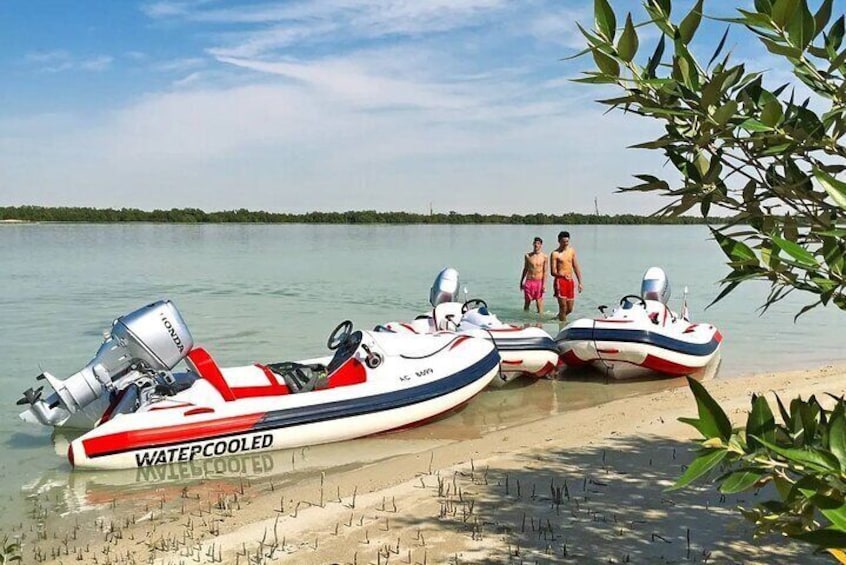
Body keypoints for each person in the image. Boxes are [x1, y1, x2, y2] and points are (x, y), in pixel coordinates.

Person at [550, 230, 583, 321]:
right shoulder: (555, 254)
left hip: (570, 281)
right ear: (559, 241)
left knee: (569, 309)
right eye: (563, 242)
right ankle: (563, 327)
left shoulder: (571, 251)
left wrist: (580, 282)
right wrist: (561, 275)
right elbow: (552, 272)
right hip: (560, 282)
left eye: (567, 242)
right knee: (563, 307)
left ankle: (557, 318)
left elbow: (576, 267)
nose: (565, 244)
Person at [519, 236, 548, 314]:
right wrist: (521, 281)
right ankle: (525, 320)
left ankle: (540, 322)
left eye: (538, 243)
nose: (536, 245)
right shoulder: (528, 256)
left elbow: (545, 272)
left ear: (541, 245)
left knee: (539, 302)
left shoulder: (544, 257)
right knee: (527, 302)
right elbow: (525, 269)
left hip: (539, 281)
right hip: (529, 281)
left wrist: (544, 284)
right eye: (535, 243)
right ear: (533, 244)